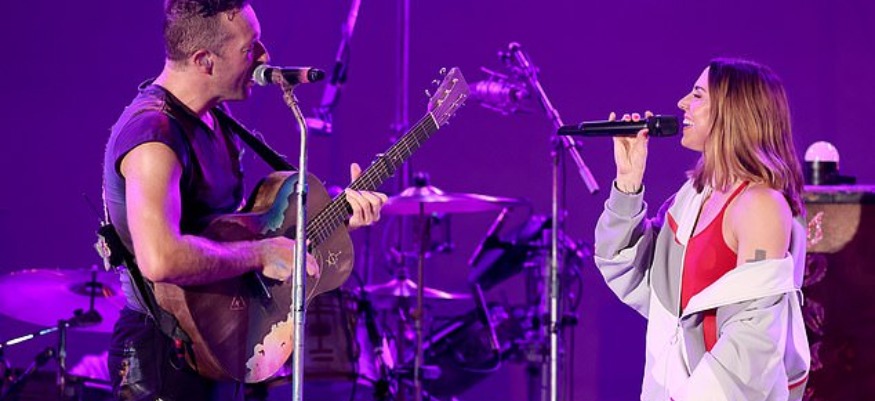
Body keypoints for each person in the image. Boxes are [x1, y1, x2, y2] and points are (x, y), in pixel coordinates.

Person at [102, 1, 387, 399]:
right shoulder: (154, 135)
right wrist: (261, 254)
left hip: (222, 341)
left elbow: (230, 232)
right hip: (164, 361)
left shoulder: (212, 118)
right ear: (204, 60)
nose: (264, 57)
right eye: (249, 47)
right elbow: (160, 258)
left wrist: (337, 219)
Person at [593, 58, 810, 401]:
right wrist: (628, 181)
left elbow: (755, 337)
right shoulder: (691, 198)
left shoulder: (760, 205)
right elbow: (629, 271)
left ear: (733, 109)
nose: (682, 104)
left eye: (697, 95)